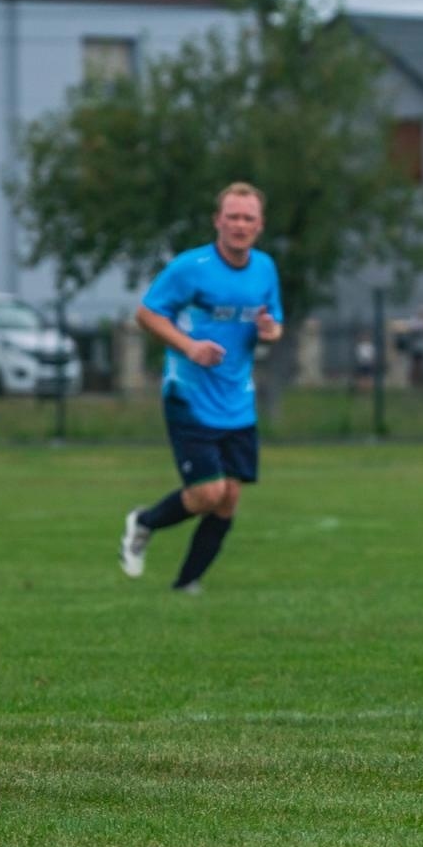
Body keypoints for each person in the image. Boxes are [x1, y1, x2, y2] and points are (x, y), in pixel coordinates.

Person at [118, 183, 282, 593]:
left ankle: (186, 584)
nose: (240, 225)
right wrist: (190, 347)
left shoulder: (265, 268)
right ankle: (144, 522)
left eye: (248, 218)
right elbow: (147, 313)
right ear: (218, 221)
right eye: (233, 217)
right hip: (189, 395)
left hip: (237, 400)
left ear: (259, 226)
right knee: (208, 492)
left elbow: (274, 323)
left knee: (229, 498)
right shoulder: (192, 267)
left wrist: (270, 330)